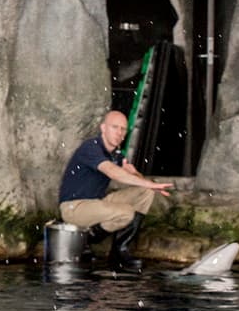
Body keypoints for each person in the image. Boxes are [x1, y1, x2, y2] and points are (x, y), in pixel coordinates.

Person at [58, 110, 172, 271]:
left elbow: (134, 178)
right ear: (103, 128)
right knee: (126, 212)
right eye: (115, 127)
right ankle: (86, 240)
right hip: (74, 208)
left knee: (146, 191)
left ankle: (119, 250)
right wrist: (148, 183)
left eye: (123, 129)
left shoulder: (116, 155)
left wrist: (136, 174)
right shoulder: (91, 147)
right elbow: (112, 171)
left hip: (96, 203)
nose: (119, 133)